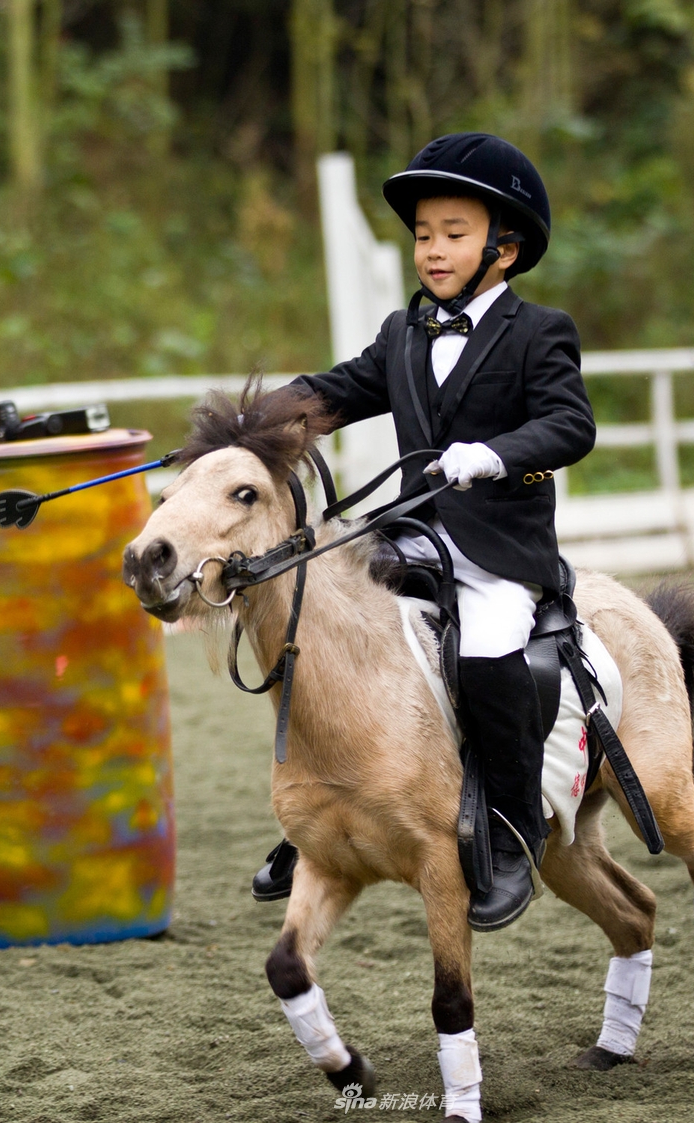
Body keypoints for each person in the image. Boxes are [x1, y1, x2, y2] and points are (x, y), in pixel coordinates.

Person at [253, 132, 596, 931]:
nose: (432, 251)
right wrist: (256, 421)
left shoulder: (540, 332)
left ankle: (511, 834)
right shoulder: (404, 334)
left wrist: (497, 456)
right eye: (422, 235)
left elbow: (570, 425)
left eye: (453, 234)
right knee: (315, 625)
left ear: (503, 250)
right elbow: (337, 391)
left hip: (497, 552)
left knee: (484, 653)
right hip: (406, 536)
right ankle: (311, 818)